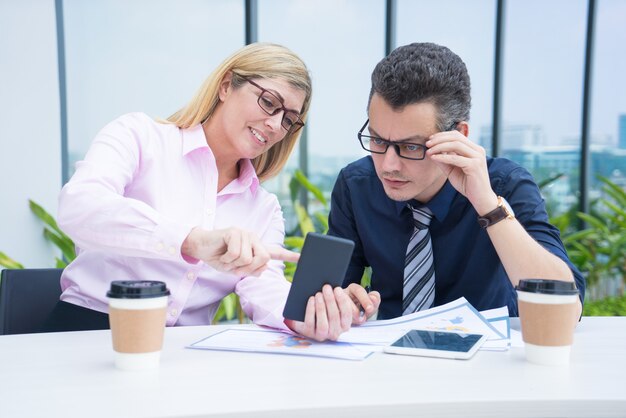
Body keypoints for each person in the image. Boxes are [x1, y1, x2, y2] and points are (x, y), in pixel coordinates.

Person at [45, 43, 353, 341]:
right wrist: (192, 241)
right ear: (226, 85)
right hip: (86, 332)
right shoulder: (139, 137)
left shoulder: (264, 208)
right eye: (269, 102)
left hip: (182, 351)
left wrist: (309, 315)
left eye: (288, 119)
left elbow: (263, 285)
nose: (275, 125)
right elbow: (80, 206)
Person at [331, 42, 585, 321]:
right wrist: (342, 299)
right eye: (378, 140)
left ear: (458, 135)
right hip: (392, 355)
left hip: (491, 357)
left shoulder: (505, 185)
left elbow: (566, 308)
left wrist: (488, 206)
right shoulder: (356, 186)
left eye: (411, 147)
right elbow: (328, 292)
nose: (388, 165)